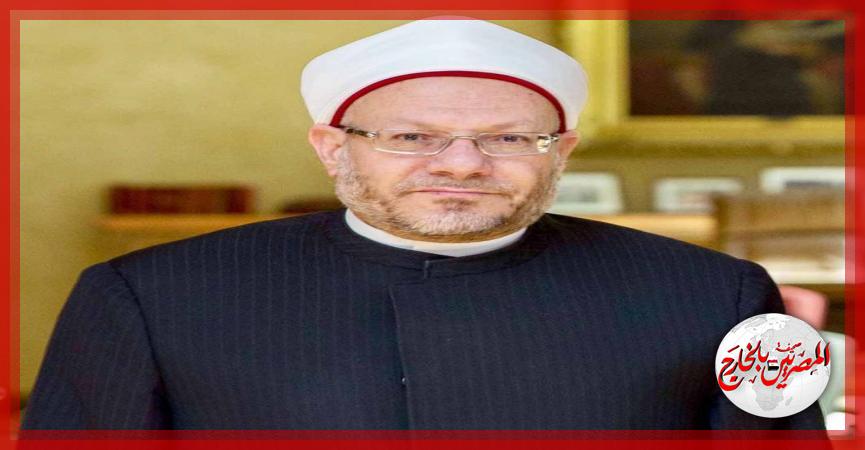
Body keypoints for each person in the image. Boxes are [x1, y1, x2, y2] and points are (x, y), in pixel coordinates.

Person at [22, 18, 827, 431]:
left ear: (561, 152)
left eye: (508, 139)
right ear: (330, 147)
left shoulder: (721, 295)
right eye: (410, 137)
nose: (462, 164)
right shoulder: (145, 297)